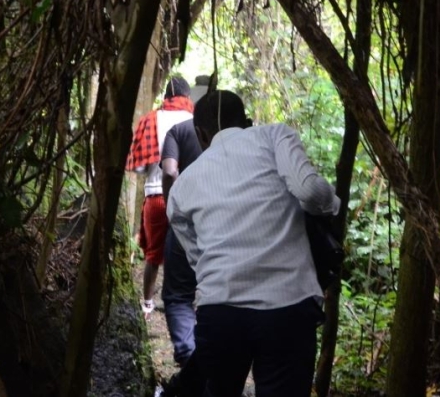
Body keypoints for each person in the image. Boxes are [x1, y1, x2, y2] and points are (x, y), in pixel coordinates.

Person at [166, 91, 341, 397]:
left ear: (200, 135)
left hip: (220, 315)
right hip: (288, 308)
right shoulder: (274, 136)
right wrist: (333, 205)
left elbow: (197, 259)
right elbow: (312, 193)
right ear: (247, 122)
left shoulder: (182, 187)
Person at [126, 76, 194, 318]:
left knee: (153, 256)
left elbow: (138, 167)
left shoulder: (150, 120)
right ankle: (183, 302)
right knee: (189, 252)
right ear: (187, 97)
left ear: (165, 97)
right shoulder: (195, 121)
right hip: (188, 198)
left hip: (156, 196)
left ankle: (146, 304)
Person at [158, 115, 204, 396]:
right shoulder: (242, 135)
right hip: (227, 225)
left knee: (178, 295)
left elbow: (169, 172)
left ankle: (189, 352)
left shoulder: (179, 131)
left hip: (187, 218)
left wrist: (171, 209)